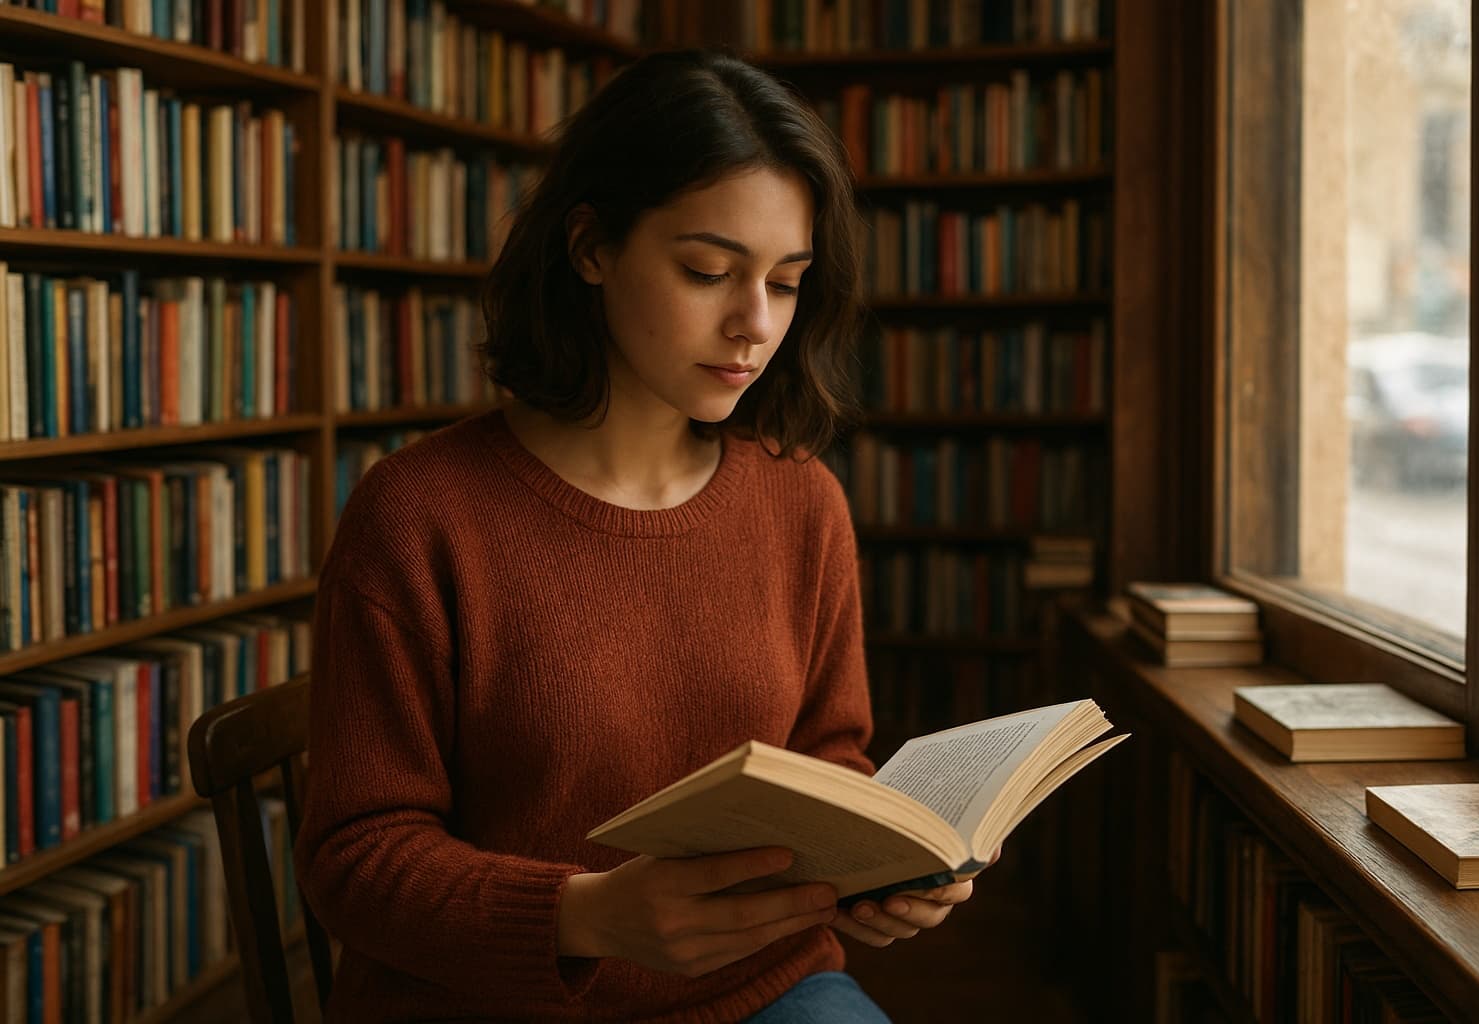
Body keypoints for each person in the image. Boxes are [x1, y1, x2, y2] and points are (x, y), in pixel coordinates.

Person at [293, 48, 979, 1023]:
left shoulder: (802, 503)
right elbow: (353, 859)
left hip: (761, 988)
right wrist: (587, 916)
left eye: (787, 282)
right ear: (591, 247)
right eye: (708, 271)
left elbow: (827, 761)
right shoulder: (419, 513)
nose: (754, 323)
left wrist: (880, 871)